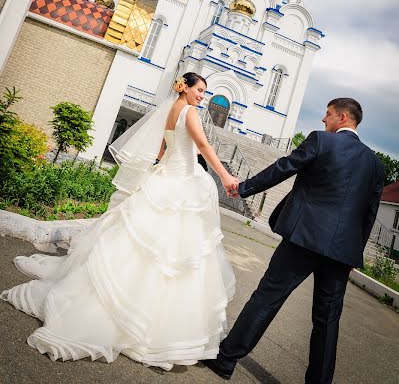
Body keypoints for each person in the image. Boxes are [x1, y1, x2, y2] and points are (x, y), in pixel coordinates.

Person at [1, 73, 238, 370]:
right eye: (199, 90)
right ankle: (149, 324)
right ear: (185, 88)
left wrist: (159, 172)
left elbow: (163, 150)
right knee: (173, 256)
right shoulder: (189, 112)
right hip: (182, 185)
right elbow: (203, 146)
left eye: (205, 92)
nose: (202, 96)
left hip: (167, 178)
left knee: (148, 250)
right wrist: (225, 176)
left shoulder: (170, 110)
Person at [202, 98, 385, 383]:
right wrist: (354, 256)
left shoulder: (322, 141)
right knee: (327, 321)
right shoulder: (375, 164)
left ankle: (226, 360)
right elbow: (369, 213)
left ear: (344, 117)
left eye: (328, 114)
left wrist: (244, 187)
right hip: (341, 253)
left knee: (266, 299)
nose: (324, 120)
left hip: (304, 239)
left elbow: (282, 168)